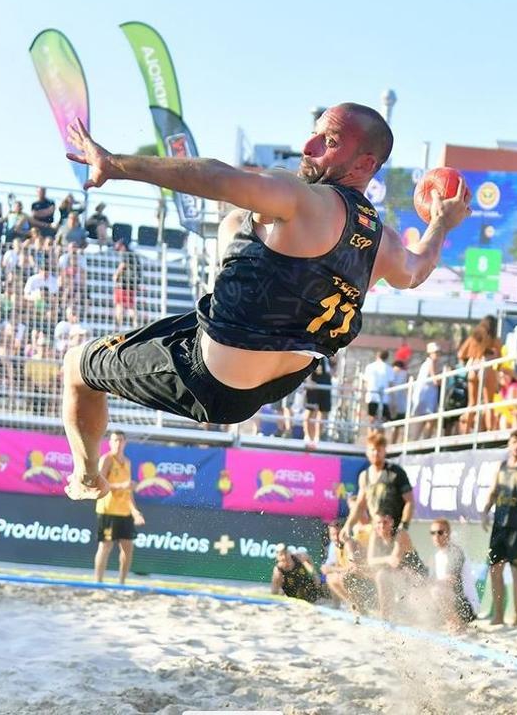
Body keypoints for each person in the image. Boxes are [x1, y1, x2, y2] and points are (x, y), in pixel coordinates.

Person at [59, 104, 470, 500]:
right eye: (313, 134)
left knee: (76, 366)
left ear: (364, 164)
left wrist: (115, 164)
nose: (308, 146)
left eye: (327, 140)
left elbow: (218, 177)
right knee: (238, 223)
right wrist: (441, 223)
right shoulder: (385, 242)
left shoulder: (304, 199)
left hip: (210, 375)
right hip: (273, 383)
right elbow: (417, 270)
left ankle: (87, 475)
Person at [481, 429, 517, 626]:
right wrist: (485, 511)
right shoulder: (500, 467)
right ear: (509, 443)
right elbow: (493, 491)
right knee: (495, 570)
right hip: (500, 525)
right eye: (514, 442)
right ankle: (498, 615)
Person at [93, 430, 146, 585]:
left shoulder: (127, 462)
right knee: (105, 546)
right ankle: (98, 582)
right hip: (108, 509)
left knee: (128, 549)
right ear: (109, 442)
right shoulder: (106, 460)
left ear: (125, 443)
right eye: (115, 440)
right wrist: (122, 485)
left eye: (120, 440)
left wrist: (135, 511)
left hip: (124, 511)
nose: (117, 443)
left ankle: (121, 583)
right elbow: (100, 484)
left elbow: (128, 492)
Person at [340, 431, 414, 542]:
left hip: (395, 530)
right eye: (372, 449)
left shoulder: (396, 473)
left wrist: (404, 527)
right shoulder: (364, 476)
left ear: (384, 451)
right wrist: (348, 525)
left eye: (379, 450)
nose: (375, 453)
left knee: (403, 558)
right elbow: (360, 506)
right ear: (367, 452)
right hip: (377, 530)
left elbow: (410, 502)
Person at [367, 512, 427, 620]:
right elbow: (370, 561)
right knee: (381, 575)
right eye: (378, 523)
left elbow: (395, 562)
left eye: (385, 522)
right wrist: (386, 559)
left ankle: (386, 615)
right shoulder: (375, 535)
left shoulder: (400, 535)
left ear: (391, 523)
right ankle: (385, 616)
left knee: (382, 575)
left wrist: (383, 561)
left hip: (417, 577)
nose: (381, 526)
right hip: (400, 576)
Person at [428, 518, 476, 632]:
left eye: (440, 532)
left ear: (448, 533)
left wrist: (427, 583)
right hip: (447, 601)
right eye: (433, 533)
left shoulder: (455, 552)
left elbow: (451, 580)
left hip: (465, 606)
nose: (436, 536)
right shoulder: (437, 556)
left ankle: (456, 625)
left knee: (436, 590)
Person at [360, 349, 393, 436]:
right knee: (382, 420)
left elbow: (366, 382)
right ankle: (379, 438)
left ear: (377, 356)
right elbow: (391, 384)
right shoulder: (389, 368)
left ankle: (370, 438)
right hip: (384, 398)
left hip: (372, 396)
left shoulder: (370, 367)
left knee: (372, 419)